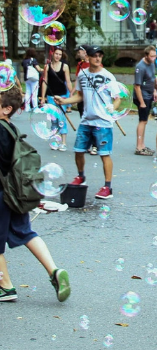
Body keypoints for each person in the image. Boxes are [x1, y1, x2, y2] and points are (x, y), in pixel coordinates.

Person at [0, 86, 71, 303]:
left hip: (2, 194)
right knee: (25, 232)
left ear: (6, 109)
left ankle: (6, 287)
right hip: (16, 193)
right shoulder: (10, 128)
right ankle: (54, 271)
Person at [54, 46, 121, 200]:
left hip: (103, 122)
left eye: (100, 56)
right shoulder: (83, 75)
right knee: (78, 150)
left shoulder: (108, 76)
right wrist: (64, 101)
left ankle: (107, 187)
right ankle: (81, 176)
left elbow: (117, 99)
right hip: (86, 120)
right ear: (88, 58)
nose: (98, 59)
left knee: (104, 154)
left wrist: (113, 107)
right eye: (94, 56)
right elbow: (80, 96)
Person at [41, 47, 73, 151]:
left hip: (62, 96)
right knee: (53, 119)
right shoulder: (47, 67)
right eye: (56, 54)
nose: (58, 56)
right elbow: (45, 82)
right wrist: (43, 97)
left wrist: (71, 95)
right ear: (52, 54)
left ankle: (63, 142)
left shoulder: (65, 67)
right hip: (51, 96)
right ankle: (55, 140)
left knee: (62, 119)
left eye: (60, 54)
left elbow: (68, 81)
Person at [72, 45, 98, 156]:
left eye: (79, 51)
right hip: (82, 98)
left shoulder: (96, 64)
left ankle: (95, 145)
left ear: (85, 52)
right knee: (85, 120)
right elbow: (78, 81)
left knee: (94, 122)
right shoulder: (80, 65)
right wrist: (73, 92)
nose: (78, 53)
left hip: (92, 98)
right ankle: (87, 143)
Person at [134, 45, 157, 156]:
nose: (154, 58)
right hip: (141, 97)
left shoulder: (152, 64)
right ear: (146, 55)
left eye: (155, 56)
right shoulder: (140, 67)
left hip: (149, 95)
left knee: (145, 121)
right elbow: (137, 86)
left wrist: (154, 91)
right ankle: (139, 147)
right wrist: (142, 102)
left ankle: (142, 145)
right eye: (151, 56)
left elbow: (152, 79)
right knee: (142, 120)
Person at [21, 47, 43, 112]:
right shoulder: (33, 60)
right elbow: (38, 69)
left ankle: (27, 107)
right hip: (34, 79)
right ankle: (35, 108)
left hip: (27, 78)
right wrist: (44, 69)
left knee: (28, 93)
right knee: (34, 93)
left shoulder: (24, 61)